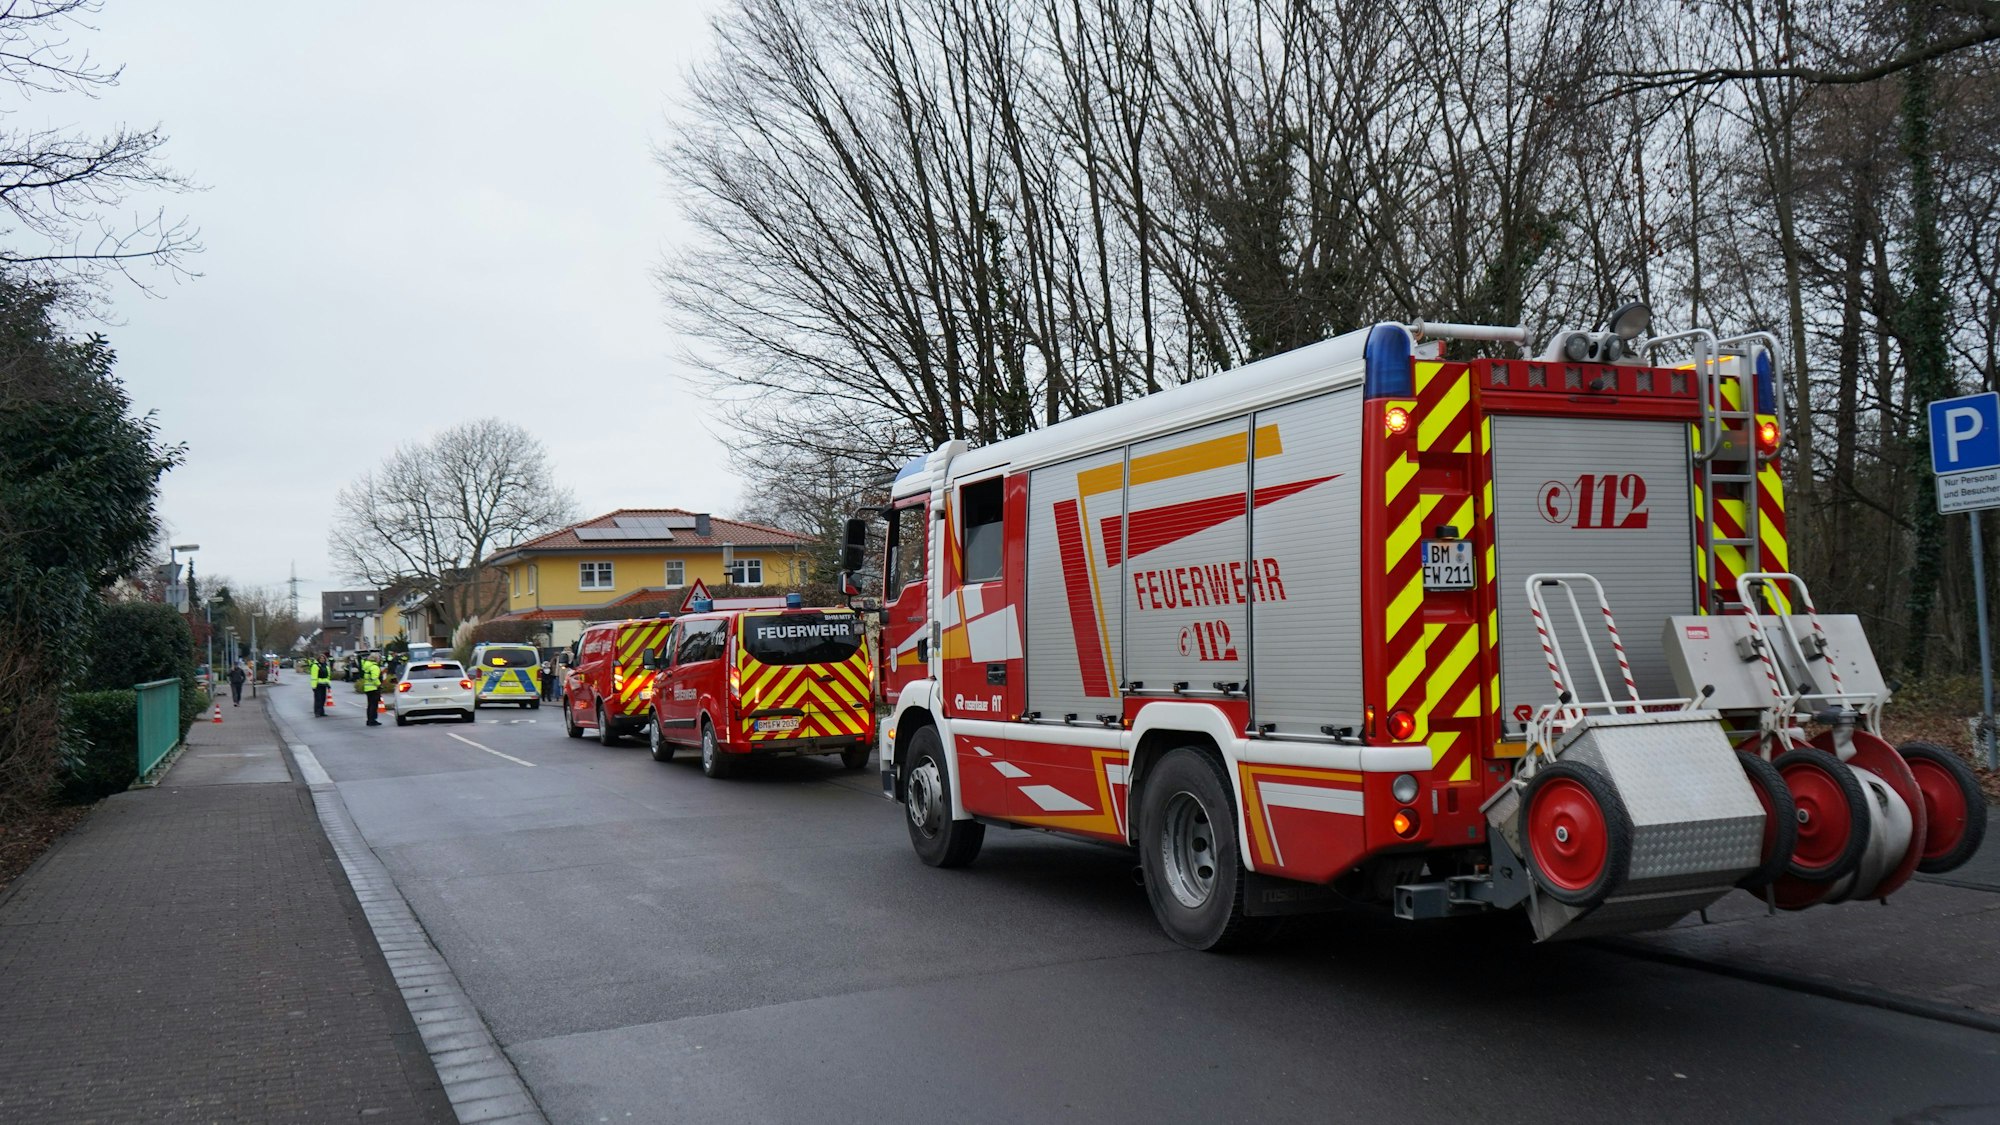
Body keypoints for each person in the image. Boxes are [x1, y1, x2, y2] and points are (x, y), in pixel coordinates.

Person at [360, 653, 384, 727]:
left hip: (367, 688)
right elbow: (374, 678)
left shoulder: (367, 666)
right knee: (374, 705)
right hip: (374, 688)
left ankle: (369, 720)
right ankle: (372, 720)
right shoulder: (374, 667)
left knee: (370, 705)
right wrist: (379, 684)